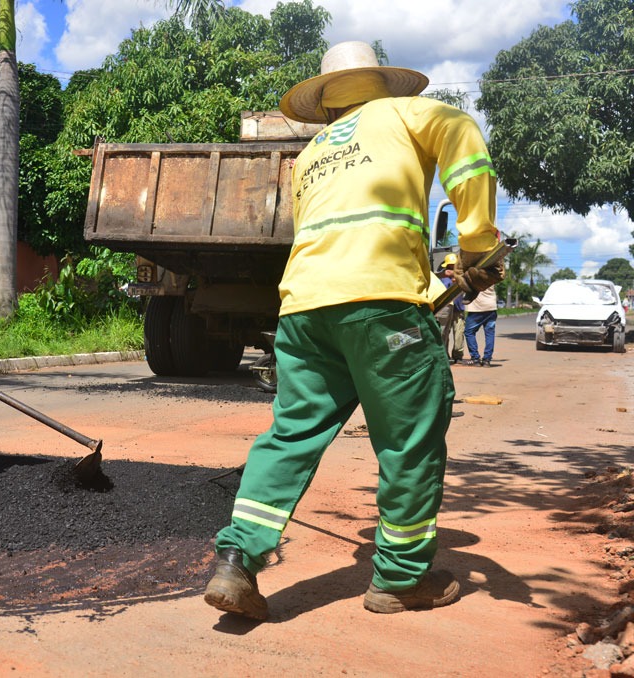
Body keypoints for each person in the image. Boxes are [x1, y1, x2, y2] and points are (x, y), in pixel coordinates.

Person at [203, 41, 503, 620]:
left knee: (291, 436)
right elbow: (464, 136)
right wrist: (479, 245)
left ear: (327, 101)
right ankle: (399, 578)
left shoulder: (312, 152)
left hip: (304, 309)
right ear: (381, 84)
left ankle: (237, 559)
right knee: (410, 438)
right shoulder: (408, 114)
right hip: (383, 305)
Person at [438, 253, 466, 363]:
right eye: (450, 267)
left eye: (453, 266)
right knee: (445, 333)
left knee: (459, 332)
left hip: (458, 309)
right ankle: (445, 354)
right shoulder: (443, 279)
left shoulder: (460, 277)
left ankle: (458, 356)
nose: (451, 269)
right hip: (446, 308)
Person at [464, 286, 498, 366]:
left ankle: (475, 358)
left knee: (469, 332)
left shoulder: (473, 274)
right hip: (491, 307)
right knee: (490, 334)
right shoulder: (493, 275)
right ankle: (487, 360)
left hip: (477, 308)